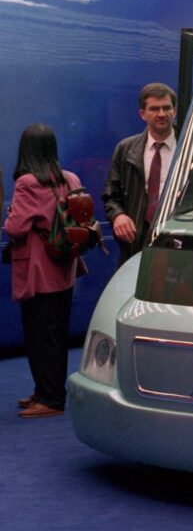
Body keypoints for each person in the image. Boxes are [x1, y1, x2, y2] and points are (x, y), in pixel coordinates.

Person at [4, 124, 87, 418]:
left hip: (38, 272)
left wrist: (10, 215)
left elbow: (16, 228)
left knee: (39, 335)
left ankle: (50, 399)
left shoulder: (27, 183)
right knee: (57, 333)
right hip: (64, 268)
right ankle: (46, 390)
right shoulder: (70, 178)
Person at [103, 83, 177, 264]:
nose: (162, 114)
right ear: (142, 114)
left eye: (166, 108)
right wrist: (118, 216)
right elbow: (111, 196)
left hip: (179, 241)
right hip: (135, 243)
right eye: (154, 109)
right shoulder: (126, 149)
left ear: (174, 111)